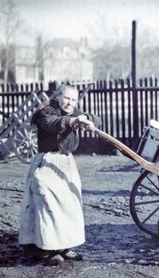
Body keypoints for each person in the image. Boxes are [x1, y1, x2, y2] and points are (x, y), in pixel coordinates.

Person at [19, 83, 101, 265]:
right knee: (48, 204)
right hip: (48, 162)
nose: (69, 102)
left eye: (73, 99)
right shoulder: (46, 112)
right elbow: (52, 125)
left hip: (66, 163)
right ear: (58, 97)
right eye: (66, 98)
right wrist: (74, 121)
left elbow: (97, 119)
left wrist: (86, 118)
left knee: (69, 205)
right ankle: (47, 250)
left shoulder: (74, 110)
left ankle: (65, 246)